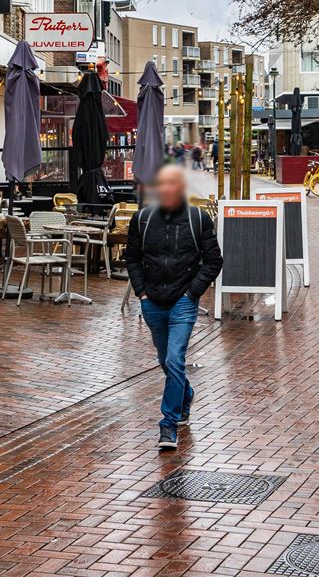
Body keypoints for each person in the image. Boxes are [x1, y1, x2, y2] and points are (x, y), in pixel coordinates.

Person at [124, 165, 224, 451]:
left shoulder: (197, 219)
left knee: (174, 359)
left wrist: (192, 293)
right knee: (166, 361)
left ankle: (168, 425)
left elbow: (213, 261)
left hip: (182, 301)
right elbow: (132, 258)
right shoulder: (142, 219)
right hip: (152, 301)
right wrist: (142, 293)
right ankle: (185, 394)